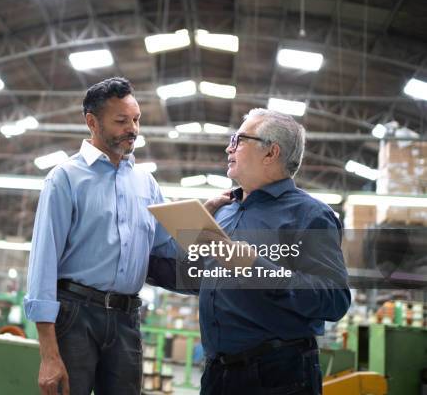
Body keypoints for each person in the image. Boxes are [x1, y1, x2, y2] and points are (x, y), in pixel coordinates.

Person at [148, 108, 351, 395]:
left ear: (271, 152)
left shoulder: (309, 215)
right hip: (218, 374)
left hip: (278, 375)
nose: (228, 147)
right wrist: (128, 262)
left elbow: (334, 298)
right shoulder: (225, 211)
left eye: (239, 139)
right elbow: (198, 279)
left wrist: (255, 266)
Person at [24, 77, 188, 395]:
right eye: (121, 121)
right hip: (75, 316)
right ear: (92, 122)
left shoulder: (146, 183)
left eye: (137, 120)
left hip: (127, 318)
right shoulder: (65, 179)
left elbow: (166, 247)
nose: (133, 129)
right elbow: (43, 263)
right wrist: (48, 354)